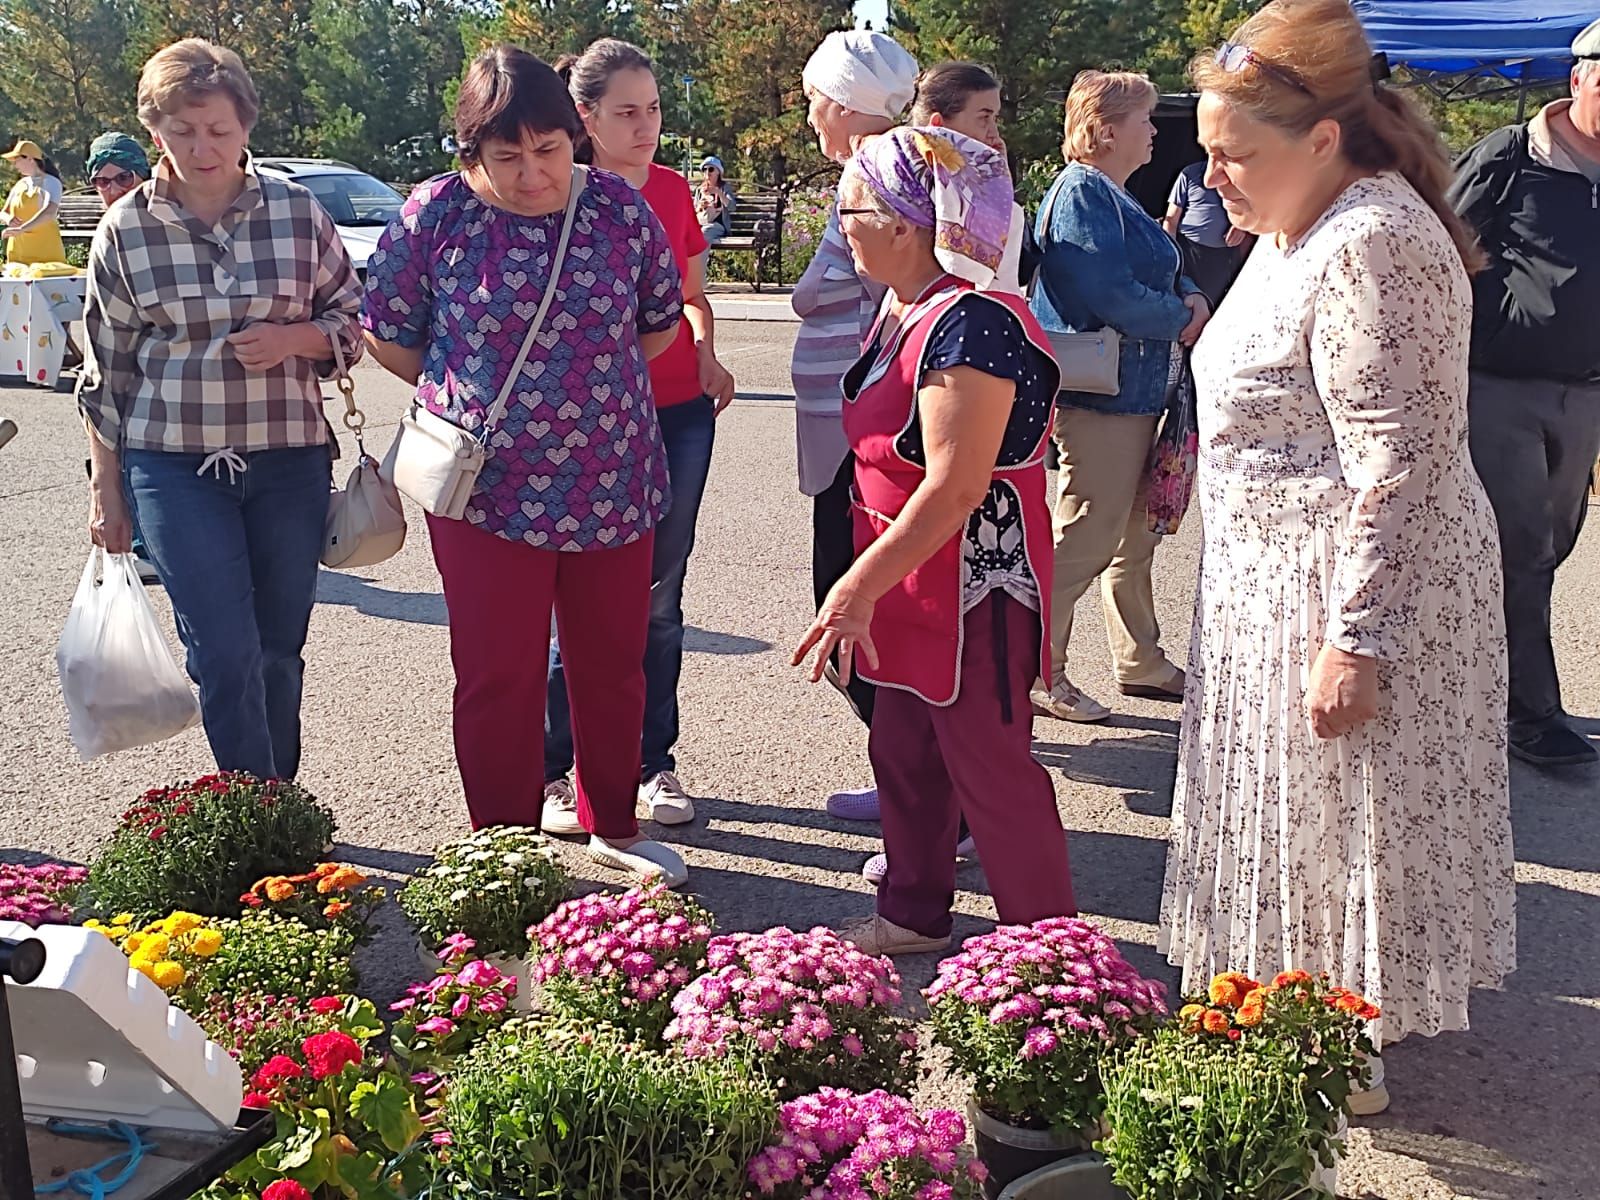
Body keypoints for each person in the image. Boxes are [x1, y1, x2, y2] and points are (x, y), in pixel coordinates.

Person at [1159, 0, 1514, 1111]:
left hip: (1344, 589)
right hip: (1271, 581)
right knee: (1298, 818)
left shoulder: (1373, 242)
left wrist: (1353, 643)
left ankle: (1328, 1047)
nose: (1213, 177)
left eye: (1234, 155)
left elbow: (1399, 462)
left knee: (1340, 820)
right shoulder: (1290, 225)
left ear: (1321, 137)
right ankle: (1280, 1011)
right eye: (1207, 152)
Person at [362, 46, 690, 887]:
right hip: (483, 492)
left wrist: (586, 390)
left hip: (614, 476)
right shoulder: (435, 213)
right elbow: (390, 332)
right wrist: (467, 393)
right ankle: (500, 846)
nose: (533, 172)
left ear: (573, 136)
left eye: (548, 148)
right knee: (496, 674)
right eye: (506, 156)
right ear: (471, 151)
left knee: (612, 663)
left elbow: (659, 323)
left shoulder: (618, 209)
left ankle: (612, 820)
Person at [793, 127, 1074, 956]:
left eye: (851, 207)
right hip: (911, 574)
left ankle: (1049, 953)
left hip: (974, 585)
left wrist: (854, 588)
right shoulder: (904, 305)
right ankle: (913, 912)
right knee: (903, 748)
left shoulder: (972, 323)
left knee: (990, 770)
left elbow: (955, 485)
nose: (840, 222)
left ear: (906, 223)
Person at [79, 39, 363, 781]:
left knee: (277, 647)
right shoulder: (125, 230)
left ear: (245, 129)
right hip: (172, 467)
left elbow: (352, 323)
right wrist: (105, 491)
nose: (202, 149)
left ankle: (279, 800)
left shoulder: (298, 214)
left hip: (288, 460)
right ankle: (260, 811)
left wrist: (294, 337)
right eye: (182, 132)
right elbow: (104, 374)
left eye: (219, 132)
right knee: (222, 649)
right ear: (155, 132)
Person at [543, 38, 736, 830]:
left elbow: (692, 295)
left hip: (679, 410)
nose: (646, 125)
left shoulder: (668, 189)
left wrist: (709, 351)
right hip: (590, 423)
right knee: (574, 592)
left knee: (660, 594)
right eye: (626, 111)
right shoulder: (553, 190)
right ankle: (558, 769)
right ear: (584, 117)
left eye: (653, 108)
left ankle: (654, 764)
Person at [1030, 71, 1210, 724]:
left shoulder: (1110, 194)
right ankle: (1036, 671)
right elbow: (1109, 293)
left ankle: (1141, 660)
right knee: (1086, 538)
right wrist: (1183, 315)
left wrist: (1186, 293)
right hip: (1104, 400)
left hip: (1132, 393)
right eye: (1146, 120)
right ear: (1106, 129)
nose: (1156, 131)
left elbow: (1159, 264)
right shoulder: (1083, 192)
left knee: (1131, 539)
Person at [1446, 16, 1600, 769]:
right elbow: (1440, 245)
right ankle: (1531, 717)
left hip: (1585, 393)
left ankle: (1488, 686)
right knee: (1521, 551)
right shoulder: (1511, 156)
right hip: (1500, 387)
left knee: (1553, 548)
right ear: (1578, 78)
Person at [792, 28, 919, 823]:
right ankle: (906, 778)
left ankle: (926, 798)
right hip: (860, 418)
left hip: (860, 425)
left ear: (841, 105)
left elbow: (817, 295)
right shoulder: (902, 171)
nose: (811, 119)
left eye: (814, 104)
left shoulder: (868, 184)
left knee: (849, 606)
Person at [78, 131, 159, 585]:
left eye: (121, 177)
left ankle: (151, 545)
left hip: (160, 383)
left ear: (141, 174)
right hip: (113, 376)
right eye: (101, 181)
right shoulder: (106, 234)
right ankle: (141, 545)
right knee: (112, 460)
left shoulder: (166, 223)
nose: (112, 189)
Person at [909, 62, 1026, 295]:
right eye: (984, 118)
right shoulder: (908, 200)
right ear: (938, 126)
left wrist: (998, 185)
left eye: (995, 119)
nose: (994, 133)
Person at [1163, 159, 1251, 306]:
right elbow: (1171, 220)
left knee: (1207, 305)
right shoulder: (1190, 173)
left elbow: (1260, 212)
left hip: (1220, 258)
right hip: (1187, 251)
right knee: (1179, 301)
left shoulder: (1245, 177)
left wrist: (1243, 226)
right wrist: (1169, 253)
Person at [1, 140, 68, 265]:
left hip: (46, 255)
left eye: (17, 160)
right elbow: (3, 212)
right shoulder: (20, 184)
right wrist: (9, 219)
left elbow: (49, 212)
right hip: (18, 253)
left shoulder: (51, 182)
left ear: (30, 159)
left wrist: (22, 229)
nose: (15, 165)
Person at [695, 156, 734, 244]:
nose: (708, 173)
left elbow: (732, 207)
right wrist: (700, 207)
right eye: (705, 169)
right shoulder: (700, 189)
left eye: (711, 169)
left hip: (718, 225)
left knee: (703, 234)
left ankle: (700, 258)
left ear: (718, 172)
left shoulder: (725, 188)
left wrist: (719, 193)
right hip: (701, 222)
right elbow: (692, 212)